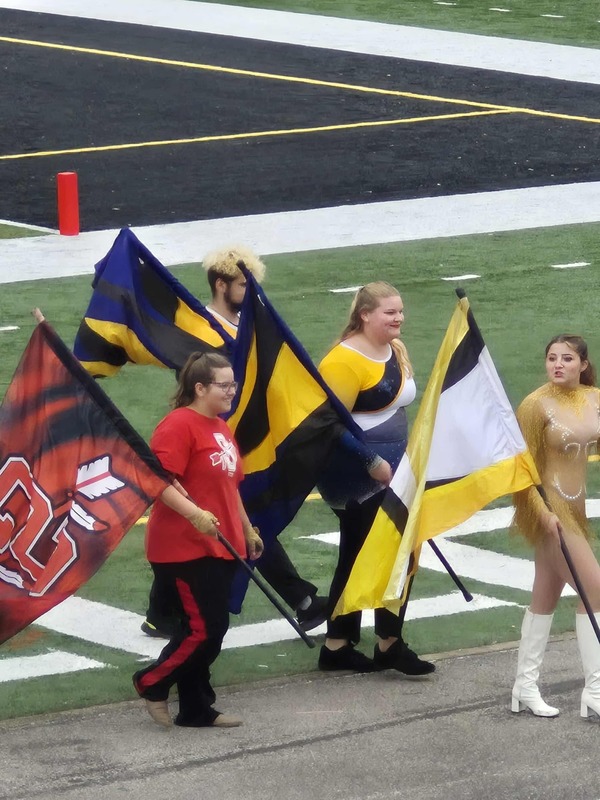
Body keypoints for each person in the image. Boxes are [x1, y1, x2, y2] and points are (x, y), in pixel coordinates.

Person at [141, 246, 327, 638]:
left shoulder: (249, 322)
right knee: (241, 514)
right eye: (244, 283)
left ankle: (161, 611)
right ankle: (300, 599)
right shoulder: (199, 330)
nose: (251, 290)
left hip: (238, 436)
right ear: (221, 284)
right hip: (208, 436)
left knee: (242, 513)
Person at [133, 352, 264, 728]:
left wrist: (247, 528)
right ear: (200, 387)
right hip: (182, 547)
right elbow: (158, 481)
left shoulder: (220, 426)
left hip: (219, 543)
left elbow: (229, 486)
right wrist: (194, 514)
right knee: (204, 630)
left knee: (207, 629)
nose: (231, 391)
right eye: (224, 385)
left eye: (233, 384)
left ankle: (196, 708)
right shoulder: (178, 426)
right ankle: (151, 682)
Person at [316, 281, 435, 675]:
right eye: (389, 312)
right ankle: (388, 643)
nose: (398, 318)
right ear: (365, 314)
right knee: (393, 551)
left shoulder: (394, 349)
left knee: (360, 553)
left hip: (393, 469)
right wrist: (372, 461)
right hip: (356, 474)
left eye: (400, 311)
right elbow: (329, 424)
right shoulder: (342, 361)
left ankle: (337, 645)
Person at [511, 334, 600, 719]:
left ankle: (524, 687)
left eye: (566, 358)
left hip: (575, 510)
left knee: (544, 597)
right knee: (595, 591)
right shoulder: (534, 405)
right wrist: (541, 513)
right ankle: (595, 690)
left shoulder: (594, 397)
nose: (558, 365)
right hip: (549, 512)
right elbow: (520, 470)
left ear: (583, 364)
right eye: (551, 358)